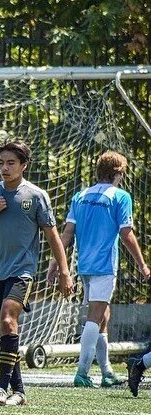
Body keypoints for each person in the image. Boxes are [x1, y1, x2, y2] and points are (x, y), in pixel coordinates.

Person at [0, 140, 73, 407]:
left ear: (24, 165)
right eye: (2, 162)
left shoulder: (36, 196)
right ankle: (20, 391)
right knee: (7, 332)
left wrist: (64, 272)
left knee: (7, 320)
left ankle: (1, 388)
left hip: (22, 272)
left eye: (11, 163)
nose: (5, 167)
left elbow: (53, 236)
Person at [47, 151, 150, 388]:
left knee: (103, 316)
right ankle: (82, 372)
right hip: (104, 265)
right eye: (122, 174)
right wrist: (142, 265)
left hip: (85, 265)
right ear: (117, 174)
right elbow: (126, 234)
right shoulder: (120, 197)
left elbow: (67, 234)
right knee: (95, 316)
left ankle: (106, 372)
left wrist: (55, 264)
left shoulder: (80, 196)